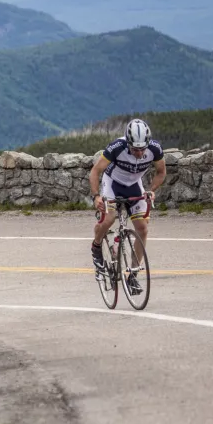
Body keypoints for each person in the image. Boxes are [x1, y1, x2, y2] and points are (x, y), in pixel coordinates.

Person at [88, 118, 166, 294]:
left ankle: (132, 276)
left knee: (142, 229)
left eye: (142, 149)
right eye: (135, 149)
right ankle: (96, 246)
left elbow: (161, 172)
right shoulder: (116, 147)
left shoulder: (154, 149)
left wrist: (151, 190)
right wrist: (96, 196)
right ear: (128, 142)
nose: (139, 153)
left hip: (134, 184)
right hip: (113, 183)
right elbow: (95, 171)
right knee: (109, 218)